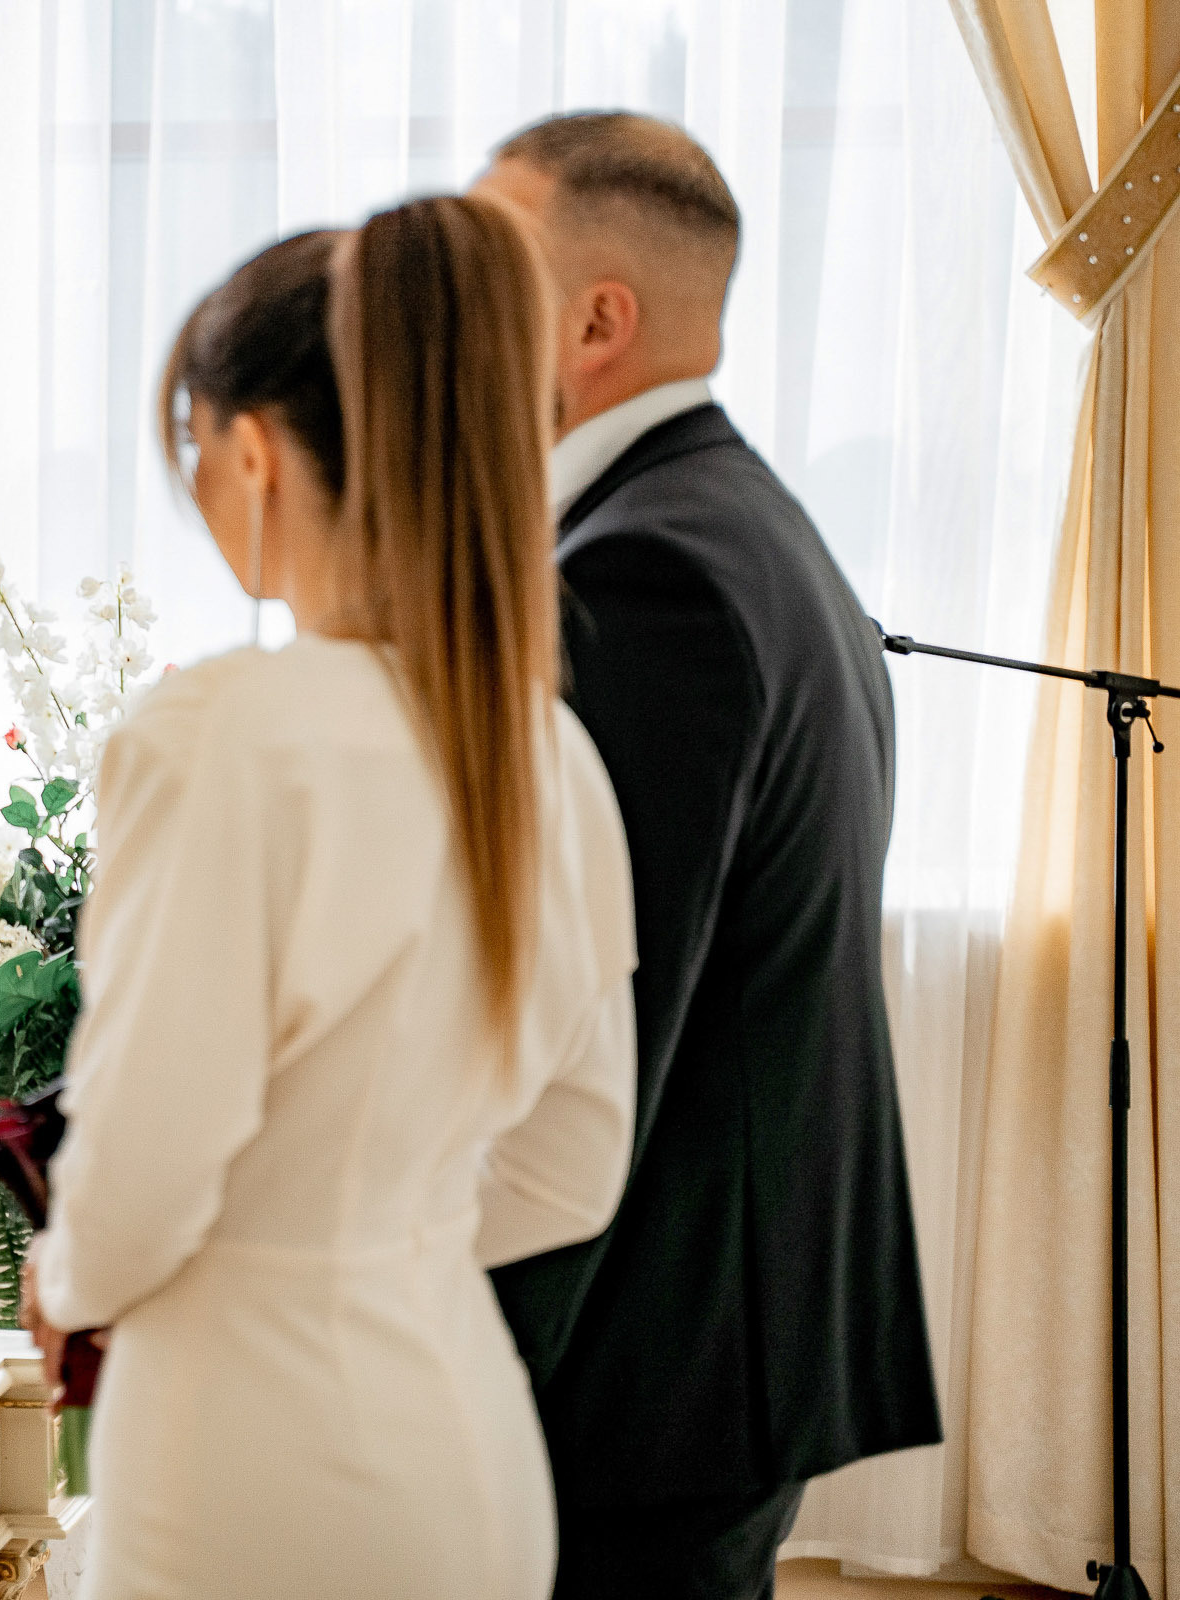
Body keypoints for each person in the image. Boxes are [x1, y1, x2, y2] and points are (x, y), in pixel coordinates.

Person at [21, 201, 639, 1598]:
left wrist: (62, 1287)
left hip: (251, 1449)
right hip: (467, 1436)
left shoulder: (222, 734)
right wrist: (376, 1244)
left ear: (250, 449)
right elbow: (573, 1163)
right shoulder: (546, 747)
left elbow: (143, 1172)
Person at [473, 113, 942, 1599]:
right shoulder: (743, 522)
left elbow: (607, 1019)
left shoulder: (641, 570)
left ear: (596, 319)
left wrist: (467, 1356)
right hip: (730, 1311)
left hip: (654, 1340)